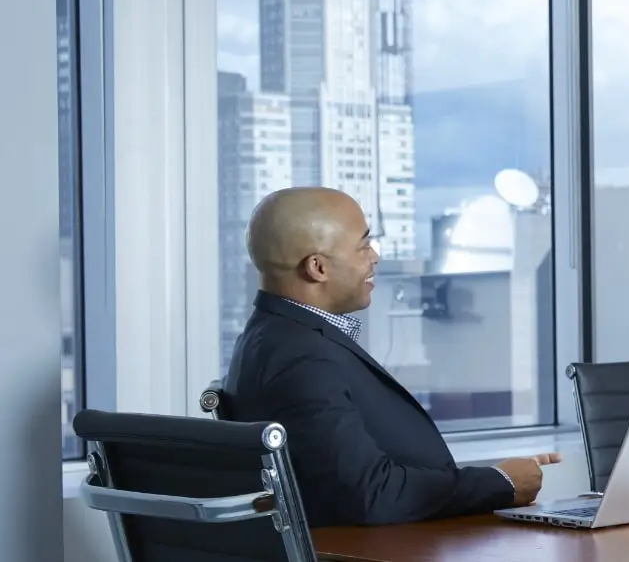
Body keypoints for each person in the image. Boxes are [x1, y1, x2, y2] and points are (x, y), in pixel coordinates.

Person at [225, 186, 560, 526]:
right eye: (363, 246)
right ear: (318, 268)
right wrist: (500, 483)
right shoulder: (300, 358)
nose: (375, 257)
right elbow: (370, 493)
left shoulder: (279, 336)